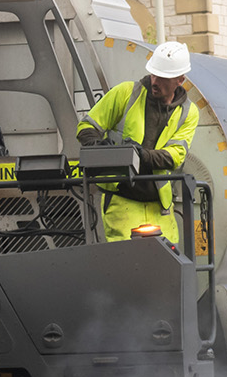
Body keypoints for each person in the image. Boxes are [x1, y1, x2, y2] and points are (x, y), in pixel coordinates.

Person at [77, 41, 200, 244]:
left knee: (168, 268)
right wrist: (100, 150)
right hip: (121, 200)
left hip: (158, 207)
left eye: (162, 77)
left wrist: (142, 155)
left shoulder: (188, 112)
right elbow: (86, 128)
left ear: (180, 80)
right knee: (126, 265)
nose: (154, 81)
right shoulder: (125, 93)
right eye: (153, 74)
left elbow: (176, 155)